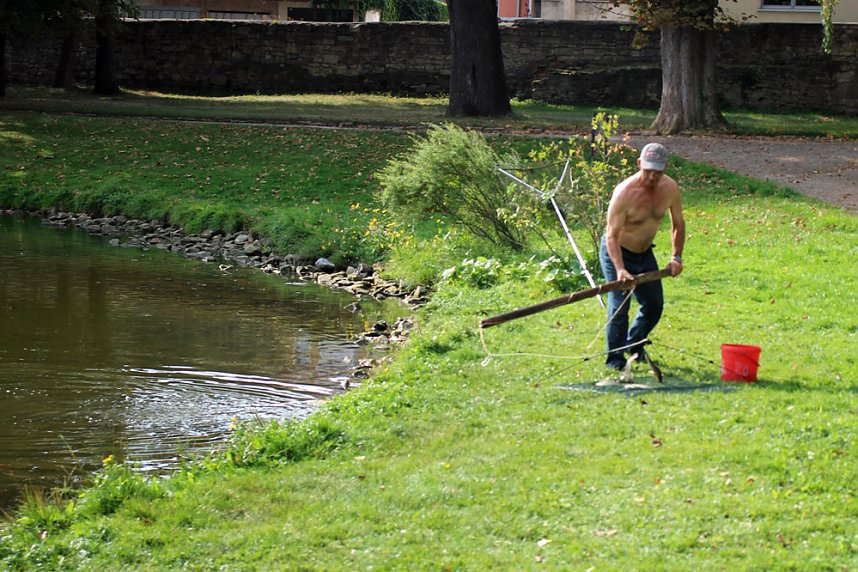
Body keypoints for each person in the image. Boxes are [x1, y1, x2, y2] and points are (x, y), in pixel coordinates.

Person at [599, 142, 685, 380]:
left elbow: (678, 224)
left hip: (644, 253)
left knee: (654, 304)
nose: (652, 176)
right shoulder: (624, 192)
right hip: (617, 251)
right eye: (648, 170)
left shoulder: (669, 189)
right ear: (639, 164)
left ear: (665, 167)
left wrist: (676, 256)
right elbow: (611, 235)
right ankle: (615, 360)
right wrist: (619, 269)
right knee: (620, 306)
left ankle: (633, 345)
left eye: (657, 171)